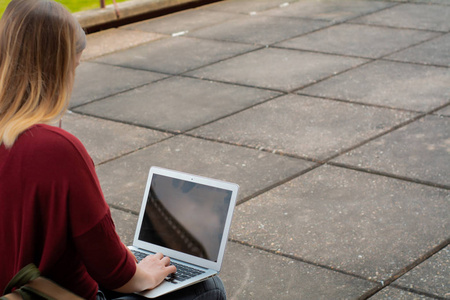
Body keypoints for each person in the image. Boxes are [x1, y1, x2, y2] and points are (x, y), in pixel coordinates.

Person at [0, 1, 226, 299]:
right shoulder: (57, 149)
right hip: (57, 294)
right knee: (207, 289)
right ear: (57, 68)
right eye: (74, 66)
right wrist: (143, 273)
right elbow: (112, 269)